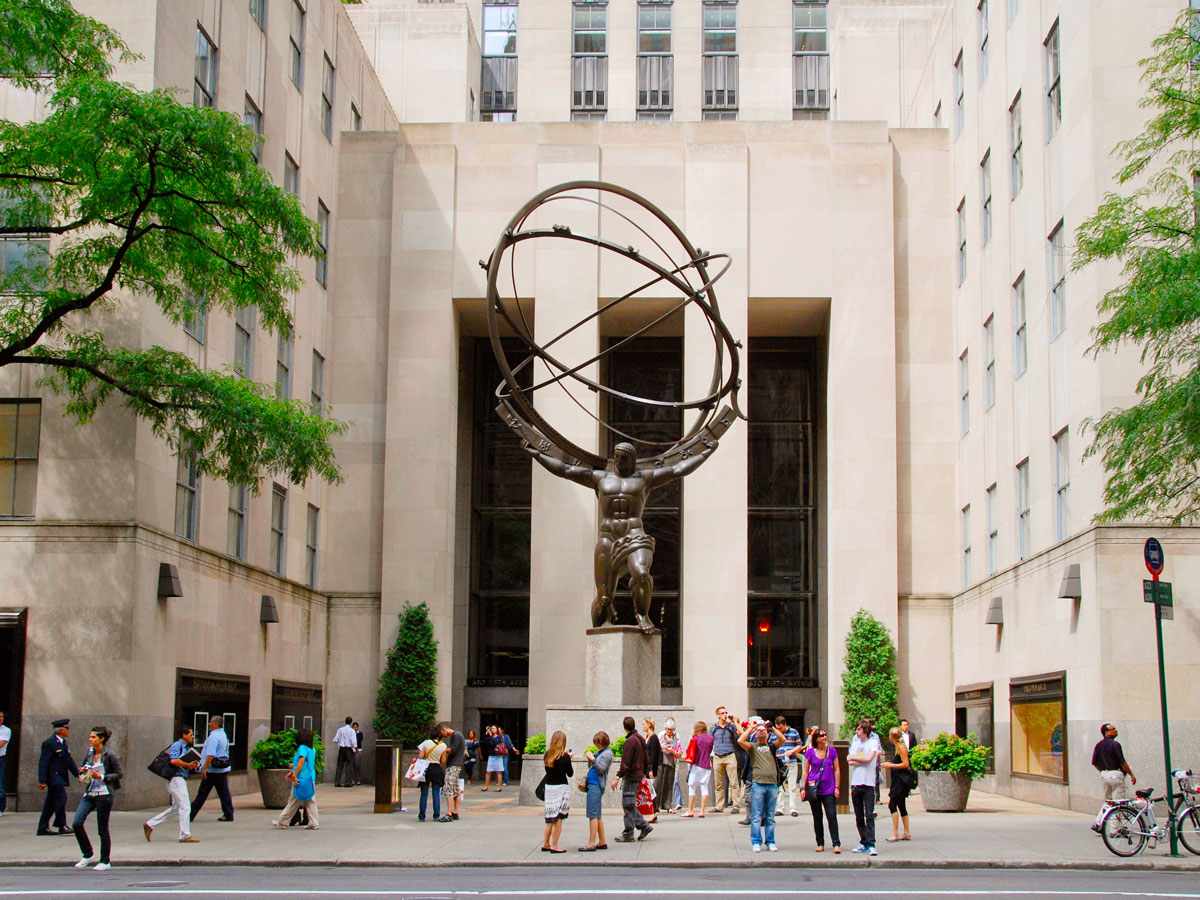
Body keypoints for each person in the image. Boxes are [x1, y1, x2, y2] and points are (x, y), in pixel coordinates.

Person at [525, 439, 716, 633]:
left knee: (641, 574)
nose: (618, 461)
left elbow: (677, 470)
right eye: (616, 457)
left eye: (623, 458)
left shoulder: (644, 478)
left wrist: (706, 452)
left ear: (632, 460)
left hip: (634, 535)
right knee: (604, 597)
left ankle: (642, 614)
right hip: (608, 538)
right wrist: (538, 455)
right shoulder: (600, 478)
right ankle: (599, 634)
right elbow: (565, 471)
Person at [72, 725, 122, 871]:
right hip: (90, 793)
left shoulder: (110, 755)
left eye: (93, 737)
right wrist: (82, 770)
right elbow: (81, 765)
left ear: (102, 739)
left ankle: (105, 860)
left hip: (104, 794)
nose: (90, 739)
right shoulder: (89, 753)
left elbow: (119, 774)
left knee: (102, 828)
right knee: (77, 823)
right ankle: (87, 854)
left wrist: (101, 776)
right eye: (90, 737)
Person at [144, 725, 200, 843]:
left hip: (179, 779)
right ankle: (185, 835)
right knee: (185, 807)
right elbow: (173, 760)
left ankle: (150, 824)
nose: (192, 737)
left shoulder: (185, 747)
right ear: (184, 735)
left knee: (176, 808)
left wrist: (192, 765)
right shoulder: (177, 745)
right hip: (176, 779)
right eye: (190, 734)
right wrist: (188, 765)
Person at [738, 718, 785, 852]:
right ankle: (756, 841)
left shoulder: (771, 746)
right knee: (756, 815)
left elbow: (782, 740)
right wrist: (751, 728)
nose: (761, 732)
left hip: (772, 785)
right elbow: (740, 741)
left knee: (770, 816)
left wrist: (772, 728)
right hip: (758, 784)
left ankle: (770, 841)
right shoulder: (753, 747)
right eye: (759, 731)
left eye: (763, 730)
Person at [797, 726, 841, 853]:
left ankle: (836, 843)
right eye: (821, 736)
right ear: (816, 739)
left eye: (825, 735)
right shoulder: (810, 752)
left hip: (829, 788)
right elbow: (805, 771)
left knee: (831, 815)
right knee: (817, 816)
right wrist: (803, 788)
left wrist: (837, 787)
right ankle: (820, 842)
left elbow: (837, 769)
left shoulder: (832, 751)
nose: (824, 737)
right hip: (814, 788)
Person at [611, 716, 652, 842]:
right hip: (638, 774)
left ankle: (630, 831)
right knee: (630, 803)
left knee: (628, 804)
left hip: (631, 775)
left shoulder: (630, 742)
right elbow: (646, 758)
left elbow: (625, 762)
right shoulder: (640, 739)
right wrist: (645, 772)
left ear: (625, 727)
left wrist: (618, 776)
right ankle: (642, 826)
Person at [37, 718, 79, 836]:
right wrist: (42, 780)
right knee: (61, 798)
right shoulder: (49, 743)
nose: (68, 731)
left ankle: (42, 827)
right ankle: (62, 825)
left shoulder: (63, 743)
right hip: (53, 777)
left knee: (50, 803)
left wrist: (78, 774)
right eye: (67, 728)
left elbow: (68, 760)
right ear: (61, 730)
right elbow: (43, 762)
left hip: (60, 776)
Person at [1091, 722, 1136, 831]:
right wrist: (1131, 774)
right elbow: (1122, 762)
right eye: (1112, 729)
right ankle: (1114, 829)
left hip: (1104, 774)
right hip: (1116, 774)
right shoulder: (1115, 745)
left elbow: (1094, 763)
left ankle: (1098, 822)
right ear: (1106, 733)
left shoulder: (1099, 745)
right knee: (1117, 803)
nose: (1115, 730)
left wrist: (1103, 771)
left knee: (1108, 801)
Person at [272, 727, 320, 830]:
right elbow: (306, 763)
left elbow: (301, 762)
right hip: (310, 778)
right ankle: (314, 822)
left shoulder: (302, 748)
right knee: (310, 800)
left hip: (300, 779)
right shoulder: (312, 749)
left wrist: (294, 775)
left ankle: (282, 821)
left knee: (293, 801)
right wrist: (292, 771)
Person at [189, 716, 233, 824]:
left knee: (203, 793)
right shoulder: (223, 734)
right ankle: (228, 814)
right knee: (224, 792)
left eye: (211, 722)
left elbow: (210, 755)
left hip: (213, 770)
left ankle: (190, 814)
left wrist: (204, 768)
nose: (209, 724)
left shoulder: (214, 737)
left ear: (216, 724)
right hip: (222, 769)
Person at [847, 718, 881, 855]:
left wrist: (857, 759)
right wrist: (859, 760)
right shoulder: (855, 743)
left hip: (868, 783)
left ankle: (871, 843)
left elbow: (869, 759)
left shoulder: (873, 743)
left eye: (859, 729)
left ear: (865, 730)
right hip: (856, 782)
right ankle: (863, 841)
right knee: (859, 816)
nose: (857, 731)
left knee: (869, 815)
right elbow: (849, 760)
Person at [540, 730, 573, 853]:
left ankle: (546, 843)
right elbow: (570, 773)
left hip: (549, 788)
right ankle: (554, 845)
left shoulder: (547, 755)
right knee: (559, 817)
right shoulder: (564, 758)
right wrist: (569, 758)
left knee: (550, 817)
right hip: (561, 788)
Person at [580, 731, 613, 851]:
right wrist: (592, 759)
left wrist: (593, 759)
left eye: (596, 743)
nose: (596, 745)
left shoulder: (607, 754)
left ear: (600, 742)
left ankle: (591, 842)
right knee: (597, 814)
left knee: (593, 814)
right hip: (594, 784)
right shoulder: (602, 753)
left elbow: (601, 769)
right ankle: (602, 841)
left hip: (596, 785)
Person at [881, 726, 914, 842]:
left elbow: (906, 764)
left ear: (891, 737)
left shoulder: (901, 747)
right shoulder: (898, 747)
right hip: (898, 779)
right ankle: (906, 832)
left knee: (892, 805)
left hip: (901, 781)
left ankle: (895, 833)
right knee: (901, 805)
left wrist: (891, 765)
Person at [709, 706, 741, 814]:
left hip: (729, 755)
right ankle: (719, 805)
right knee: (718, 783)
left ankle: (736, 804)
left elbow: (741, 733)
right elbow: (710, 742)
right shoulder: (714, 727)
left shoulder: (730, 726)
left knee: (734, 782)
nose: (725, 715)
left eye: (726, 713)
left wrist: (735, 722)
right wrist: (709, 757)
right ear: (718, 715)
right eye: (722, 713)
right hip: (718, 756)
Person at [682, 720, 713, 818]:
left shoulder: (695, 738)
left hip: (696, 765)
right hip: (707, 765)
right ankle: (702, 811)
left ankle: (690, 810)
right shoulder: (711, 738)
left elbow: (689, 751)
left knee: (692, 787)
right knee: (704, 787)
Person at [415, 727, 447, 822]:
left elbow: (420, 756)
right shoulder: (443, 746)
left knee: (424, 793)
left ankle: (422, 816)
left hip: (426, 768)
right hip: (436, 769)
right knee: (436, 793)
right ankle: (436, 816)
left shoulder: (426, 743)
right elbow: (443, 761)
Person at [775, 715, 801, 817]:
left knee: (792, 786)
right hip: (780, 763)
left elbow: (799, 745)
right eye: (777, 728)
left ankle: (793, 808)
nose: (779, 730)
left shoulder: (794, 732)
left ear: (785, 725)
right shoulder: (774, 734)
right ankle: (780, 808)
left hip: (791, 761)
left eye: (780, 728)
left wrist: (792, 751)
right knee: (780, 787)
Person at [440, 722, 466, 822]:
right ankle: (455, 812)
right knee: (455, 788)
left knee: (449, 787)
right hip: (456, 764)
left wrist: (442, 749)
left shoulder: (456, 735)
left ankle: (449, 813)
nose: (443, 736)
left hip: (454, 765)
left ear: (444, 729)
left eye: (442, 733)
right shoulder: (457, 735)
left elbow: (453, 750)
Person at [656, 718, 683, 814]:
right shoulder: (661, 736)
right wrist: (662, 746)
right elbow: (655, 746)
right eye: (667, 729)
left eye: (671, 729)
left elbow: (680, 754)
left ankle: (667, 805)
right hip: (661, 761)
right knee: (658, 783)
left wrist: (673, 751)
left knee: (668, 784)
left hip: (671, 762)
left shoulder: (676, 739)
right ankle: (656, 805)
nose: (669, 731)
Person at [642, 717, 661, 822]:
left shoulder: (653, 738)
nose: (643, 726)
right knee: (649, 790)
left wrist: (650, 769)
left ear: (649, 725)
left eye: (644, 724)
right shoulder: (647, 737)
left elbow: (653, 755)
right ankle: (653, 813)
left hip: (650, 769)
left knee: (651, 790)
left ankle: (654, 811)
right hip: (646, 768)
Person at [333, 716, 357, 787]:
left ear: (345, 721)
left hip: (342, 748)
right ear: (351, 722)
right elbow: (353, 741)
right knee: (349, 766)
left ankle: (337, 782)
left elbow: (335, 739)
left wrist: (340, 742)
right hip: (349, 749)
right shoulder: (352, 731)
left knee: (339, 766)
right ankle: (347, 782)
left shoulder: (340, 730)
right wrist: (355, 748)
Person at [483, 725, 504, 791]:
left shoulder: (499, 736)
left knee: (499, 771)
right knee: (488, 771)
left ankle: (499, 787)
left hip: (498, 755)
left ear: (497, 730)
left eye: (494, 728)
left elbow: (495, 742)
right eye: (491, 728)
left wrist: (490, 735)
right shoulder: (489, 736)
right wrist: (486, 734)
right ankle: (486, 786)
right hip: (491, 755)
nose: (492, 729)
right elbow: (484, 742)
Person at [0, 709, 10, 816]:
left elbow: (1, 743)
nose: (0, 719)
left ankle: (0, 808)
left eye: (1, 717)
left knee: (0, 785)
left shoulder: (6, 730)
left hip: (1, 758)